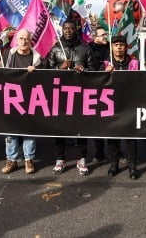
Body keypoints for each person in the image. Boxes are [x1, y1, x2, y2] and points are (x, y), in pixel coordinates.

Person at [47, 20, 95, 175]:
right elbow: (45, 72)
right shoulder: (55, 50)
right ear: (62, 30)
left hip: (81, 96)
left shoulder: (85, 49)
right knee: (59, 128)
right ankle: (60, 158)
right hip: (60, 95)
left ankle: (81, 159)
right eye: (65, 28)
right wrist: (58, 68)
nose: (68, 30)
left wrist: (85, 69)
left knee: (81, 128)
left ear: (76, 30)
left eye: (71, 28)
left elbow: (95, 70)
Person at [0, 29, 44, 175]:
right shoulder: (8, 54)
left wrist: (36, 70)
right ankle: (11, 160)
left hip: (30, 99)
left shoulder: (37, 57)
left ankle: (28, 159)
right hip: (11, 98)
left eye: (26, 39)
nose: (24, 42)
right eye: (21, 39)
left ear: (31, 41)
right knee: (10, 130)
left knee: (29, 130)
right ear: (16, 40)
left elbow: (45, 77)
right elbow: (0, 72)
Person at [102, 35, 139, 180]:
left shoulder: (134, 63)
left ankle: (132, 166)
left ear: (126, 47)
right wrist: (104, 73)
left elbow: (142, 80)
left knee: (130, 139)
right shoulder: (106, 63)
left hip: (129, 105)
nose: (118, 47)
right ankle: (114, 164)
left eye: (121, 45)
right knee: (112, 138)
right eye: (116, 45)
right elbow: (97, 83)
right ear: (112, 47)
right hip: (111, 105)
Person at [88, 26, 109, 162]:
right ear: (94, 37)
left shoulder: (111, 47)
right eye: (102, 35)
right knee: (97, 123)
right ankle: (99, 150)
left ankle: (117, 152)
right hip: (95, 88)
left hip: (110, 87)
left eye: (105, 34)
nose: (105, 36)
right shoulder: (88, 48)